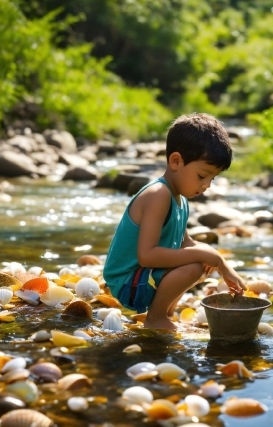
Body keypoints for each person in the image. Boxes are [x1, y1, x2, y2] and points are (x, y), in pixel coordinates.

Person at [103, 113, 247, 331]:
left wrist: (218, 261)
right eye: (202, 176)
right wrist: (206, 256)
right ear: (176, 161)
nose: (207, 185)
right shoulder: (158, 194)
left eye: (212, 178)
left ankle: (165, 312)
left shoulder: (179, 199)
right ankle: (156, 318)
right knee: (195, 264)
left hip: (141, 278)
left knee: (201, 260)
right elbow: (147, 255)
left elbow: (184, 243)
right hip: (127, 283)